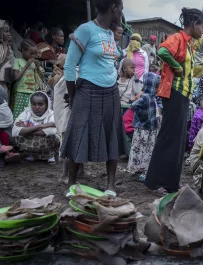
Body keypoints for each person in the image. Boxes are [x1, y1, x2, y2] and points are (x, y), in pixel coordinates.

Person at [62, 0, 124, 197]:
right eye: (121, 8)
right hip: (88, 91)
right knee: (79, 133)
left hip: (111, 92)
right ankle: (72, 184)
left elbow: (107, 63)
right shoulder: (85, 30)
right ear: (114, 8)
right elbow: (69, 66)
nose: (122, 12)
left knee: (111, 134)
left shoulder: (109, 33)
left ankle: (110, 185)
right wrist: (72, 97)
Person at [145, 8, 203, 196]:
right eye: (202, 26)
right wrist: (176, 65)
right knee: (169, 138)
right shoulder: (178, 38)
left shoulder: (189, 44)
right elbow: (162, 50)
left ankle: (171, 183)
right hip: (174, 92)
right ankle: (155, 182)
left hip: (184, 94)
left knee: (179, 139)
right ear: (194, 24)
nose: (202, 31)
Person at [12, 91, 58, 165]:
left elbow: (52, 131)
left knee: (52, 136)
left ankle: (50, 155)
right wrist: (39, 126)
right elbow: (15, 130)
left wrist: (27, 128)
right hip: (34, 141)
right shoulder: (26, 113)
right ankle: (33, 155)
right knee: (19, 136)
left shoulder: (51, 115)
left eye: (40, 104)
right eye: (34, 104)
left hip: (47, 143)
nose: (37, 107)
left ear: (46, 105)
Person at [127, 89, 161, 175]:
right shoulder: (145, 96)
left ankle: (143, 168)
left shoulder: (153, 97)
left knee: (147, 149)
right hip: (143, 129)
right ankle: (135, 169)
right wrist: (143, 117)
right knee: (140, 148)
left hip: (151, 129)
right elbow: (134, 106)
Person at [12, 39, 44, 119]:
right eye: (31, 53)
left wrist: (37, 67)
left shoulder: (33, 63)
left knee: (30, 115)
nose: (33, 56)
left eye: (35, 54)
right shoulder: (17, 61)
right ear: (23, 51)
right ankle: (17, 130)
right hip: (21, 92)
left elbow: (40, 77)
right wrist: (27, 65)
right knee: (19, 114)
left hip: (32, 92)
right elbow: (16, 77)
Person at [0, 20, 13, 100]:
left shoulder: (7, 47)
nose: (9, 34)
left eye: (9, 31)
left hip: (5, 83)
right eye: (6, 31)